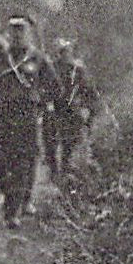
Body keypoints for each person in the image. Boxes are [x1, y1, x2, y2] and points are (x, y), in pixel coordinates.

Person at [0, 13, 59, 228]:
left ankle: (13, 209)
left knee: (23, 164)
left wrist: (41, 98)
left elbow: (55, 88)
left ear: (28, 34)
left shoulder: (38, 59)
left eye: (22, 31)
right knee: (3, 164)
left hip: (27, 119)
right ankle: (14, 203)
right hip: (2, 119)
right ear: (8, 34)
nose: (17, 36)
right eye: (13, 31)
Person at [44, 38, 98, 177]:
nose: (64, 55)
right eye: (62, 52)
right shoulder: (52, 68)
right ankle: (54, 170)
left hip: (71, 109)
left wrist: (87, 107)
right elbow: (46, 87)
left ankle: (66, 168)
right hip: (54, 108)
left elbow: (88, 89)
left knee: (69, 141)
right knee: (51, 141)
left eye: (67, 52)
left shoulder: (77, 69)